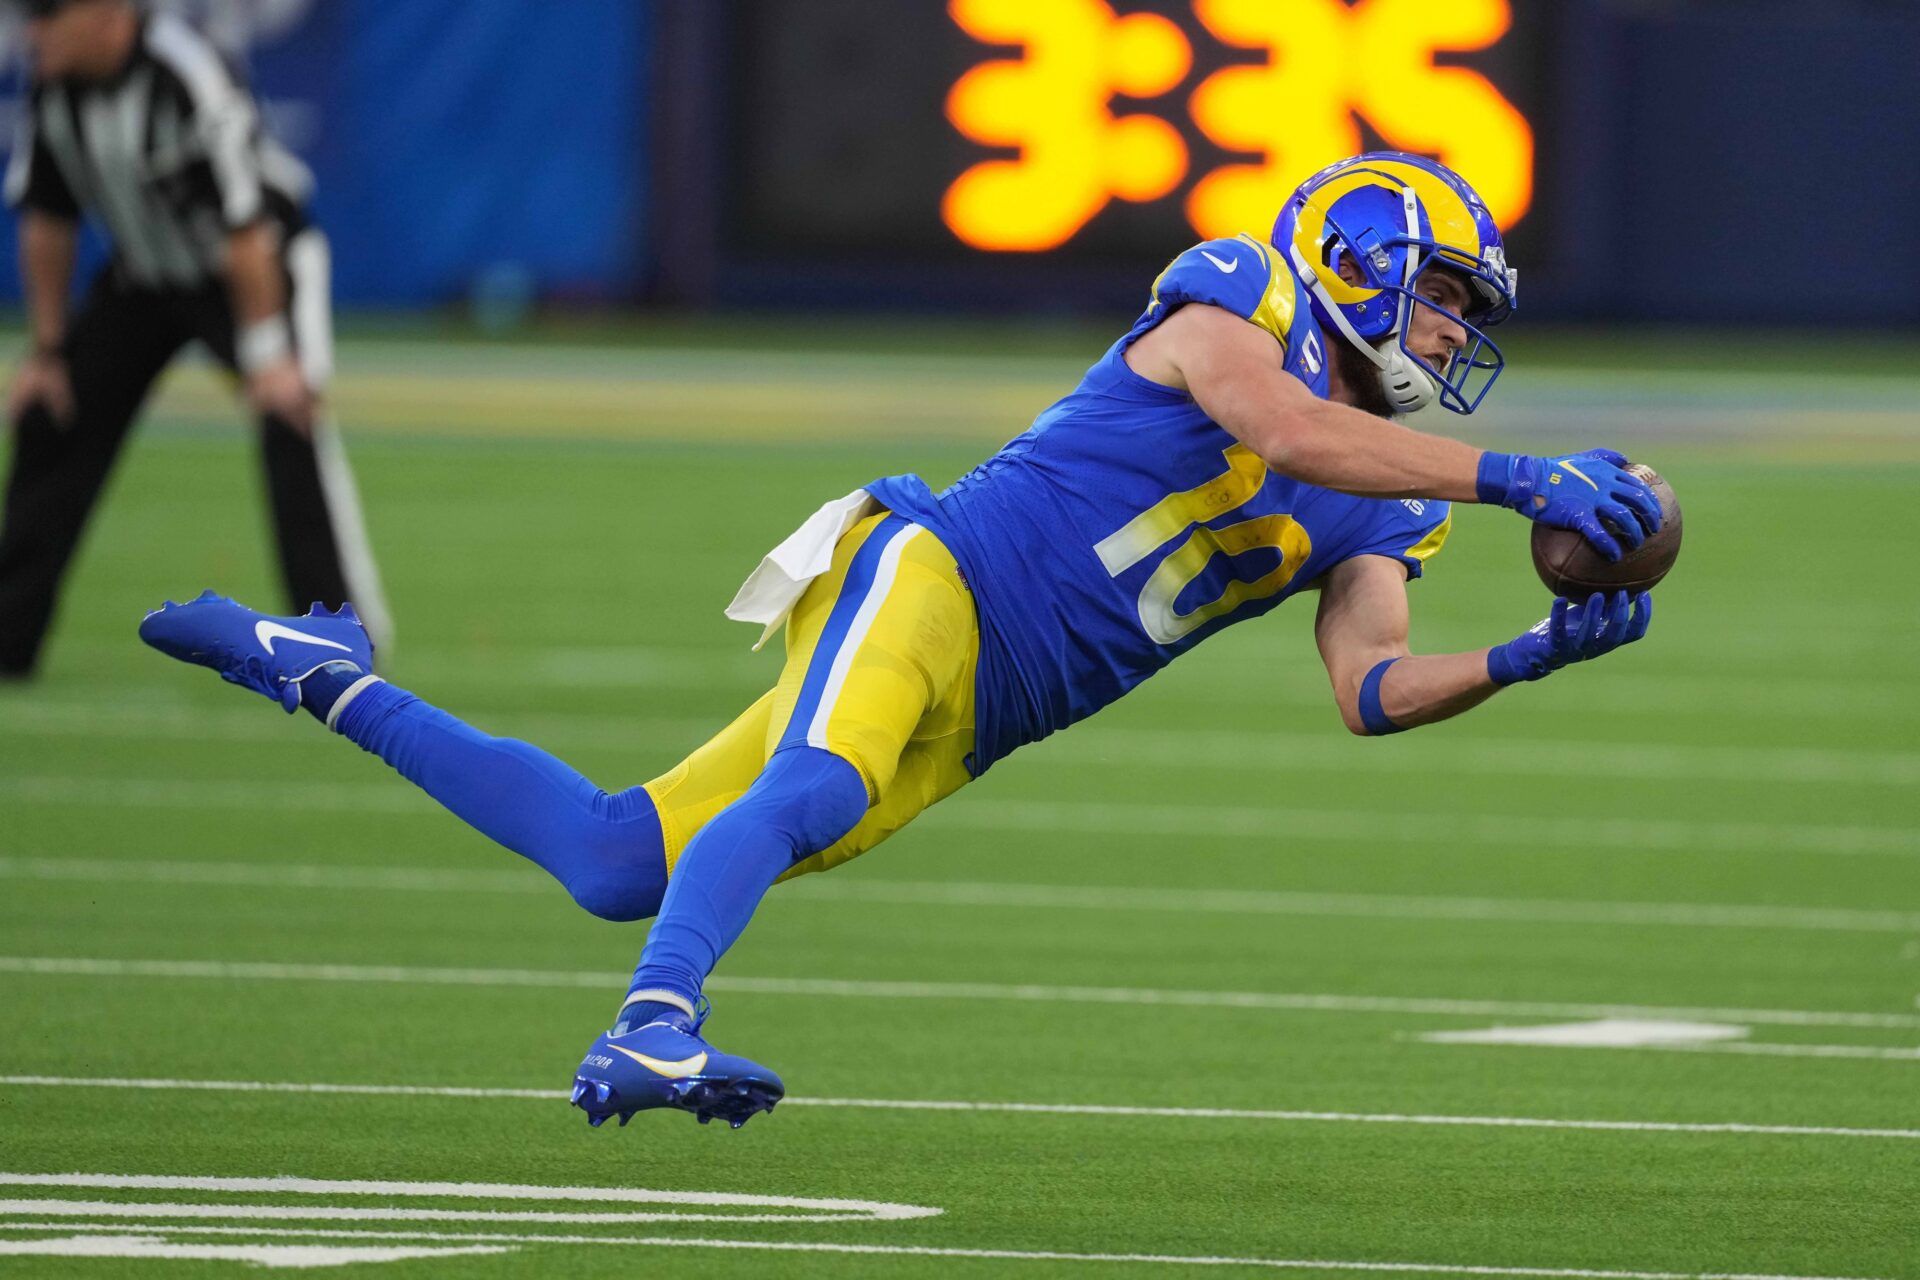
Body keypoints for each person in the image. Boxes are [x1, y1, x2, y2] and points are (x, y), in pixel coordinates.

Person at [140, 153, 1661, 1131]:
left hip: (994, 712)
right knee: (799, 791)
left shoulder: (1394, 510)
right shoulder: (1242, 289)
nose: (1459, 336)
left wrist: (1531, 653)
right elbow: (1277, 423)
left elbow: (1372, 692)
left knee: (619, 859)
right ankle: (656, 1026)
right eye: (1449, 297)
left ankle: (317, 670)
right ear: (1363, 257)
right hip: (940, 567)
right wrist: (1519, 472)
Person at [0, 0, 388, 680]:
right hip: (144, 277)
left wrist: (269, 357)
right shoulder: (55, 84)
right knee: (53, 419)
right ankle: (9, 638)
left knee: (289, 420)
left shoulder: (187, 71)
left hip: (255, 265)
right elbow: (47, 218)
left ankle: (338, 638)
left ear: (105, 13)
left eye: (49, 15)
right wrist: (48, 353)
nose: (33, 33)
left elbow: (248, 228)